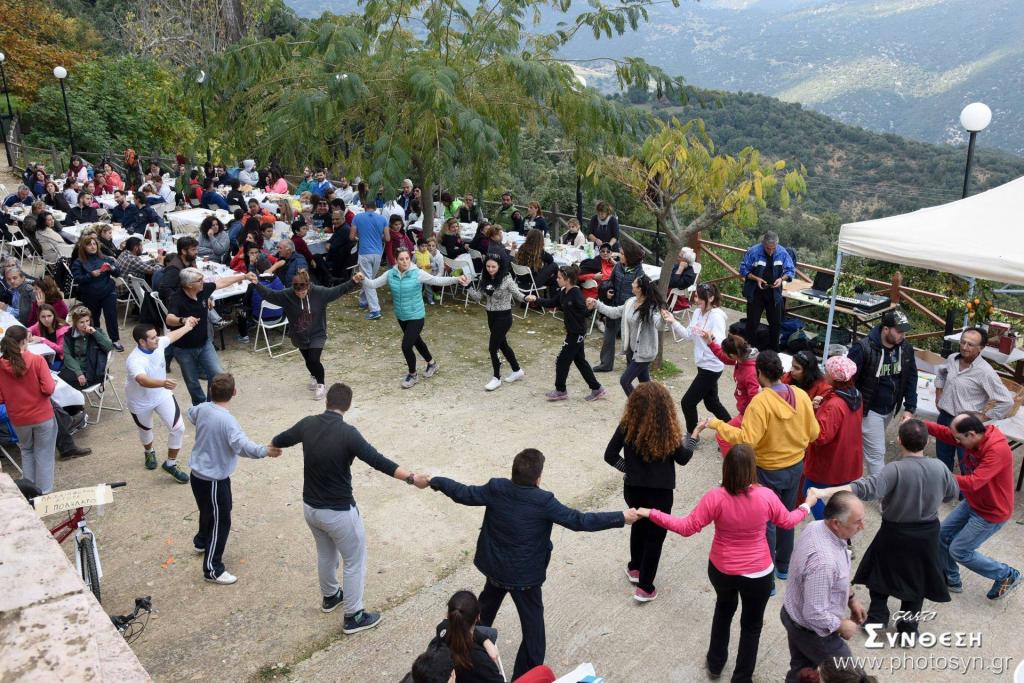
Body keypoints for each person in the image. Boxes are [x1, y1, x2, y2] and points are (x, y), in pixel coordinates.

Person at [425, 448, 638, 680]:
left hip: (495, 570)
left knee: (478, 618)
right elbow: (580, 520)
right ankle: (524, 677)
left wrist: (435, 481)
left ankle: (460, 656)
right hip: (524, 580)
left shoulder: (497, 488)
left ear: (513, 472)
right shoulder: (543, 501)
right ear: (538, 478)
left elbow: (463, 493)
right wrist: (621, 517)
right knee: (534, 635)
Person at [641, 444, 816, 682]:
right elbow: (787, 521)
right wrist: (807, 504)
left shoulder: (715, 497)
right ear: (752, 468)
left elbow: (686, 527)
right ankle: (742, 677)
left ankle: (715, 663)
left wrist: (652, 513)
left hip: (722, 570)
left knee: (723, 610)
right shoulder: (766, 496)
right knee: (752, 627)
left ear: (727, 467)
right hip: (758, 574)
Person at [272, 382, 428, 632]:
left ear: (327, 402)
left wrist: (273, 447)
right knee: (354, 560)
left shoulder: (307, 424)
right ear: (348, 405)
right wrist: (412, 478)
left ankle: (331, 596)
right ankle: (353, 615)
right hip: (339, 512)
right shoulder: (348, 434)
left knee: (326, 553)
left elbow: (280, 439)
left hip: (310, 508)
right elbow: (378, 461)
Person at [810, 419, 958, 635]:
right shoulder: (940, 467)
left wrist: (824, 493)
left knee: (879, 574)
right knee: (917, 579)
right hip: (927, 534)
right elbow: (952, 494)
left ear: (899, 440)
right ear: (926, 442)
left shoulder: (894, 469)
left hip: (895, 532)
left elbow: (864, 488)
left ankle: (876, 619)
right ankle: (908, 628)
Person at [709, 350, 819, 585]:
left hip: (767, 469)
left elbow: (748, 440)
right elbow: (814, 433)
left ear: (759, 373)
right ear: (781, 370)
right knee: (787, 516)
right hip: (795, 466)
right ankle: (783, 566)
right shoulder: (800, 395)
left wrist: (719, 425)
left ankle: (766, 576)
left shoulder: (760, 402)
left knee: (767, 522)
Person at [187, 373, 281, 584]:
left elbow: (190, 413)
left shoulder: (202, 408)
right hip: (214, 479)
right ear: (234, 393)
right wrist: (265, 451)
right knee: (222, 520)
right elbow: (243, 446)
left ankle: (201, 541)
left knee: (207, 510)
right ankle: (213, 569)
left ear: (210, 391)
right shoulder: (228, 421)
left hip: (197, 475)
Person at [607, 382, 695, 601]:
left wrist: (629, 470)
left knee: (638, 525)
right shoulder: (667, 431)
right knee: (655, 537)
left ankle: (635, 568)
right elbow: (683, 459)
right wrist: (693, 439)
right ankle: (645, 587)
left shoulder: (628, 424)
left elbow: (610, 455)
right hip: (660, 493)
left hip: (633, 489)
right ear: (666, 407)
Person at [928, 412, 1021, 599]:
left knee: (959, 550)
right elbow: (947, 434)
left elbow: (973, 482)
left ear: (971, 434)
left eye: (959, 439)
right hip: (974, 501)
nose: (956, 442)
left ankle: (1007, 575)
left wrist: (938, 475)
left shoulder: (997, 450)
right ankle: (951, 578)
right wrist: (921, 425)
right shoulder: (973, 438)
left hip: (991, 512)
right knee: (941, 535)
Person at [781, 492, 867, 683]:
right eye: (857, 522)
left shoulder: (816, 527)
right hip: (813, 630)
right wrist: (841, 625)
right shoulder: (824, 562)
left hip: (793, 614)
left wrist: (851, 598)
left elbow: (834, 580)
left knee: (802, 670)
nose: (862, 526)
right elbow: (814, 613)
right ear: (836, 523)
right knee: (853, 678)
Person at [363, 247, 468, 388]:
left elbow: (437, 280)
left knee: (406, 346)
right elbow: (373, 284)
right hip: (401, 316)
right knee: (417, 341)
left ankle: (412, 375)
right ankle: (432, 364)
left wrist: (456, 279)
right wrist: (361, 278)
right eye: (401, 259)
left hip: (416, 315)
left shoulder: (417, 273)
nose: (405, 261)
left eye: (407, 258)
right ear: (396, 260)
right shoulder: (390, 274)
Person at [250, 270, 364, 398]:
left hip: (317, 333)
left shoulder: (320, 293)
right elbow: (270, 295)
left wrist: (354, 281)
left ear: (308, 286)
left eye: (303, 292)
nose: (300, 295)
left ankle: (321, 385)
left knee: (314, 359)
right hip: (299, 335)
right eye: (297, 292)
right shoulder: (287, 295)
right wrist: (256, 284)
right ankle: (314, 376)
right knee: (308, 360)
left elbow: (338, 290)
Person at [124, 321, 199, 482]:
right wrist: (162, 382)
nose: (158, 340)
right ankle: (149, 452)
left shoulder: (157, 344)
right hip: (140, 401)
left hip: (161, 395)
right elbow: (142, 380)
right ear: (142, 342)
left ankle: (171, 464)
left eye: (157, 336)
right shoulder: (135, 360)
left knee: (178, 428)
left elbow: (171, 336)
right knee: (146, 430)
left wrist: (188, 326)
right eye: (153, 338)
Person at [933, 326, 1015, 473]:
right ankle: (945, 490)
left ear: (981, 348)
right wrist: (938, 393)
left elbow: (1007, 401)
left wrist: (983, 416)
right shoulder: (953, 358)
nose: (964, 347)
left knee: (967, 467)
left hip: (967, 427)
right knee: (942, 461)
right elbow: (941, 372)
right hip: (945, 418)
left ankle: (965, 496)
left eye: (970, 344)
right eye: (963, 342)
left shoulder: (985, 372)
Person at [847, 308, 917, 476]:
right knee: (877, 453)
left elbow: (911, 377)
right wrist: (854, 407)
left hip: (890, 408)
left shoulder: (905, 348)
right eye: (899, 331)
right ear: (886, 329)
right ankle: (882, 493)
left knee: (871, 448)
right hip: (869, 409)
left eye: (905, 332)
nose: (903, 336)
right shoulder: (863, 348)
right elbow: (847, 379)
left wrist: (909, 408)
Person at [165, 267, 248, 405]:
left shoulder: (202, 291)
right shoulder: (176, 298)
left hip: (204, 344)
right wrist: (183, 320)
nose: (204, 282)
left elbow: (221, 282)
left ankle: (211, 404)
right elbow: (169, 319)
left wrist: (243, 277)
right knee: (192, 381)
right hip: (183, 349)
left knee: (216, 374)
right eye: (200, 280)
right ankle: (200, 406)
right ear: (189, 285)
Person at [526, 265, 606, 402]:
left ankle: (561, 390)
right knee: (580, 361)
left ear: (567, 279)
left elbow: (584, 313)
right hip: (572, 332)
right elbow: (551, 302)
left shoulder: (576, 294)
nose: (556, 280)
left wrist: (591, 307)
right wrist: (535, 299)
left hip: (577, 333)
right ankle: (597, 388)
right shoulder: (564, 292)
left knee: (562, 361)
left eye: (559, 278)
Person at [799, 356, 864, 520]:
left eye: (826, 370)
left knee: (810, 491)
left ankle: (830, 529)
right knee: (840, 501)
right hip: (848, 460)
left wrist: (809, 415)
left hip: (830, 462)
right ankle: (844, 534)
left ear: (834, 376)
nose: (824, 373)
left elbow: (820, 435)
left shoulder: (835, 404)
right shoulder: (856, 396)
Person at [662, 283, 731, 431]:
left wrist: (710, 339)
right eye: (695, 295)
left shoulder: (717, 317)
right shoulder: (697, 313)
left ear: (711, 298)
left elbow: (721, 344)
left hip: (711, 367)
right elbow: (688, 335)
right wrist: (673, 321)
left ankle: (693, 435)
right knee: (711, 403)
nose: (696, 299)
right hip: (702, 364)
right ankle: (732, 428)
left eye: (700, 297)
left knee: (687, 402)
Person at [0, 326, 58, 493]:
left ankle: (29, 490)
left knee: (26, 450)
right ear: (24, 341)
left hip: (18, 418)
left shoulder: (1, 365)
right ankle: (44, 491)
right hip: (42, 415)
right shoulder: (36, 360)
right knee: (44, 453)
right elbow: (48, 389)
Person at [589, 274, 667, 396]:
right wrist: (597, 304)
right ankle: (653, 408)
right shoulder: (630, 302)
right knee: (646, 385)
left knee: (624, 381)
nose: (631, 284)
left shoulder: (652, 307)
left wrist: (664, 318)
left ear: (640, 288)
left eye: (634, 283)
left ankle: (637, 409)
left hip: (644, 353)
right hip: (632, 351)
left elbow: (659, 325)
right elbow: (614, 312)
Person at [468, 255, 526, 391]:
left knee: (493, 347)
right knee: (503, 344)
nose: (490, 269)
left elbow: (517, 294)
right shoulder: (485, 278)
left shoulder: (506, 278)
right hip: (490, 316)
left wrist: (526, 298)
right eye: (488, 266)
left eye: (493, 266)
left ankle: (496, 378)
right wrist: (468, 286)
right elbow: (477, 298)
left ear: (499, 266)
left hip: (504, 317)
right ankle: (517, 370)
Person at [704, 332, 760, 455]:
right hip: (745, 410)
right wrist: (710, 343)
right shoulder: (743, 357)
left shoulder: (750, 372)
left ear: (733, 355)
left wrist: (748, 419)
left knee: (722, 436)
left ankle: (734, 469)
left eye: (727, 354)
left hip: (750, 414)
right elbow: (724, 357)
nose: (725, 356)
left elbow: (756, 399)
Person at [429, 591, 503, 683]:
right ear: (478, 617)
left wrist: (485, 640)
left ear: (448, 615)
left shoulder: (442, 629)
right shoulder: (481, 660)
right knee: (491, 633)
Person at [593, 241, 644, 373]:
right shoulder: (618, 267)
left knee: (630, 338)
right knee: (609, 335)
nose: (619, 255)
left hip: (630, 310)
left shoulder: (640, 272)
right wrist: (607, 291)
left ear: (629, 256)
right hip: (614, 306)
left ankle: (630, 367)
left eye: (621, 253)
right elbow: (610, 282)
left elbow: (641, 292)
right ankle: (605, 364)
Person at [739, 231, 794, 352]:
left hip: (774, 293)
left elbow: (790, 270)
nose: (771, 251)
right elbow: (743, 269)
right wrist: (756, 278)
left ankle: (774, 351)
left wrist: (781, 279)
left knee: (776, 324)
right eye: (768, 248)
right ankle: (749, 350)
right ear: (763, 244)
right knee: (752, 323)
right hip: (756, 292)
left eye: (773, 248)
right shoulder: (753, 251)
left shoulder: (782, 252)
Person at [70, 235, 123, 350]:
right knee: (93, 317)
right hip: (90, 293)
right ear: (84, 247)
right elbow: (77, 278)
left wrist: (111, 269)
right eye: (89, 244)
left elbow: (118, 273)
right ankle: (96, 339)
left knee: (111, 316)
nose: (93, 247)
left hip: (108, 291)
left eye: (94, 244)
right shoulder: (78, 262)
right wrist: (90, 275)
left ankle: (114, 340)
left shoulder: (104, 258)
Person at [353, 188, 389, 320]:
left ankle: (375, 310)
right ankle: (363, 301)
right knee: (369, 278)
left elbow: (352, 236)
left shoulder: (357, 218)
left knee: (368, 280)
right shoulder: (382, 219)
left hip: (364, 252)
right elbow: (388, 238)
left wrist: (360, 236)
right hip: (378, 253)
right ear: (375, 207)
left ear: (364, 206)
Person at [59, 306, 114, 389]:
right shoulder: (69, 335)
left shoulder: (97, 332)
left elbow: (109, 347)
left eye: (87, 321)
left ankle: (76, 399)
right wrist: (78, 372)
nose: (85, 325)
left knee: (66, 385)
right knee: (59, 380)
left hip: (93, 370)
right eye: (81, 322)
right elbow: (67, 356)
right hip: (76, 368)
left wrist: (95, 333)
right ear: (75, 323)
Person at [158, 235, 199, 303]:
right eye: (193, 250)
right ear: (183, 251)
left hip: (192, 296)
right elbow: (164, 288)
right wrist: (180, 301)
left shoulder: (190, 260)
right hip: (180, 305)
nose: (196, 252)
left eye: (197, 249)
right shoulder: (174, 269)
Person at [513, 228, 556, 293]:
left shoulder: (522, 247)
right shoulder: (538, 251)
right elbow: (551, 260)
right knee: (554, 266)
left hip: (520, 280)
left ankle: (550, 299)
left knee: (554, 280)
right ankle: (553, 300)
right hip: (532, 283)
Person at [28, 303, 70, 367]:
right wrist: (28, 332)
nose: (46, 319)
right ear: (39, 318)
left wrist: (42, 340)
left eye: (49, 316)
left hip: (60, 359)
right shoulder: (40, 324)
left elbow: (61, 350)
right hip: (46, 354)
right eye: (43, 317)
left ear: (54, 315)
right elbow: (29, 329)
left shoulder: (63, 329)